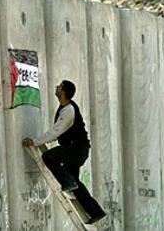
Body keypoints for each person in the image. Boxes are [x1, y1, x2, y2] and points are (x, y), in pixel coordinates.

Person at [22, 80, 106, 224]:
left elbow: (55, 132)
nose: (56, 87)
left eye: (59, 86)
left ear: (64, 92)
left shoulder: (69, 110)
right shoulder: (64, 108)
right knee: (76, 183)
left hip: (77, 149)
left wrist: (35, 141)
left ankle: (68, 181)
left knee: (48, 157)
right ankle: (95, 211)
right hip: (76, 149)